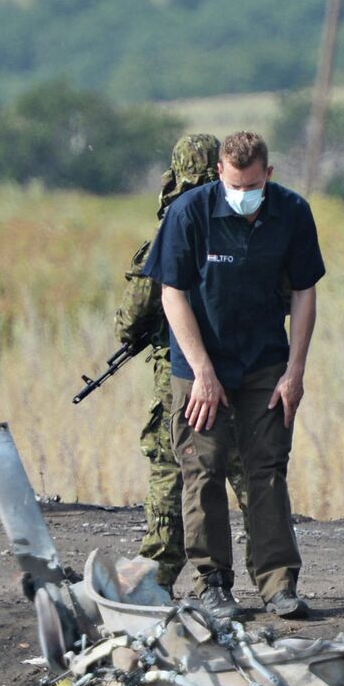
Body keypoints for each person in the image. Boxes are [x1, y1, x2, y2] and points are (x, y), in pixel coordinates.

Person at [142, 131, 323, 620]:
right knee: (203, 469)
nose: (243, 194)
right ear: (220, 172)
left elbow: (305, 292)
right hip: (201, 363)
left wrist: (295, 371)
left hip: (265, 360)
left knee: (267, 470)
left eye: (253, 184)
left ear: (269, 173)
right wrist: (202, 371)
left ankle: (278, 583)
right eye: (234, 184)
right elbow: (171, 294)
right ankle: (212, 582)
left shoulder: (292, 212)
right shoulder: (190, 213)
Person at [116, 132, 222, 590]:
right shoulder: (245, 219)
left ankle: (158, 573)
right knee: (244, 472)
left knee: (170, 466)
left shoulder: (173, 225)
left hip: (178, 371)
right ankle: (260, 577)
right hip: (245, 363)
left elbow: (133, 314)